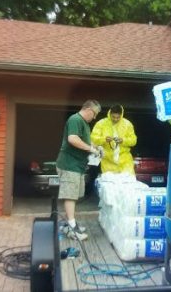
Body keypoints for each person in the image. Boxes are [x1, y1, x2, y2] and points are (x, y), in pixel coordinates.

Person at [56, 99, 102, 241]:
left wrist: (96, 147)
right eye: (94, 114)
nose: (94, 117)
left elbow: (86, 141)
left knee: (75, 195)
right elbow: (73, 139)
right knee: (70, 195)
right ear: (88, 110)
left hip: (77, 166)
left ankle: (71, 223)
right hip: (69, 165)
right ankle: (72, 228)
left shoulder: (85, 124)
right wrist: (90, 149)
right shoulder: (75, 119)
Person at [91, 104, 137, 175]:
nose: (115, 119)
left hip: (125, 162)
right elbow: (93, 139)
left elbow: (134, 140)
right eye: (113, 117)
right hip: (107, 161)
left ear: (121, 115)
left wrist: (123, 140)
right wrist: (104, 139)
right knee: (109, 184)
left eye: (118, 117)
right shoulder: (101, 124)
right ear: (110, 114)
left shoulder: (128, 124)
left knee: (127, 184)